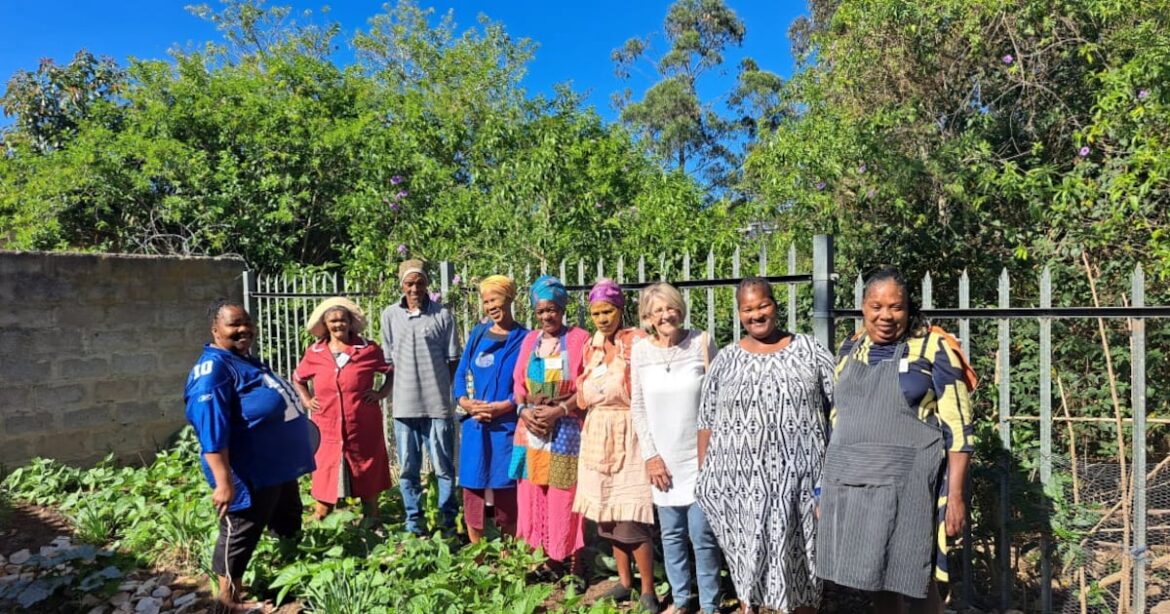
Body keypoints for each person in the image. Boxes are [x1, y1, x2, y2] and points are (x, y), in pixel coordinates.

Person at [816, 266, 976, 614]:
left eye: (895, 307)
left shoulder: (933, 348)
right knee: (877, 577)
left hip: (911, 489)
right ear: (863, 307)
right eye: (876, 306)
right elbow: (837, 422)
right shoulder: (849, 350)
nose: (885, 316)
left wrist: (957, 496)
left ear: (908, 308)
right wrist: (824, 491)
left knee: (916, 577)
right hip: (856, 485)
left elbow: (959, 429)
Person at [695, 278, 835, 613]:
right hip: (743, 492)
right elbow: (706, 421)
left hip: (802, 490)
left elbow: (840, 410)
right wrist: (707, 480)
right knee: (749, 569)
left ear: (775, 305)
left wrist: (829, 482)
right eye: (748, 308)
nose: (756, 314)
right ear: (739, 312)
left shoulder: (810, 351)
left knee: (806, 569)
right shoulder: (726, 360)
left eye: (763, 305)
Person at [184, 300, 316, 612]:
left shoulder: (243, 359)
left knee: (288, 515)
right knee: (240, 528)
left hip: (275, 466)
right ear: (215, 330)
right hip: (247, 469)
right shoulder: (214, 371)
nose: (243, 330)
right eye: (234, 325)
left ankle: (289, 568)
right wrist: (223, 481)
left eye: (246, 323)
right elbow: (210, 430)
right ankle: (228, 598)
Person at [630, 282, 722, 614]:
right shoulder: (640, 351)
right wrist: (651, 456)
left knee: (703, 537)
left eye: (670, 308)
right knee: (671, 537)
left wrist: (713, 454)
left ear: (680, 309)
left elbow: (717, 399)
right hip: (663, 461)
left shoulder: (701, 342)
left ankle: (710, 605)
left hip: (699, 458)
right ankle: (683, 601)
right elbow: (638, 408)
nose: (666, 315)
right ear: (647, 317)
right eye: (658, 311)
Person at [573, 279, 657, 612]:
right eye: (596, 313)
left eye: (608, 311)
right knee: (607, 516)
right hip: (596, 434)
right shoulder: (591, 347)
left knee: (631, 515)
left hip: (629, 432)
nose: (602, 318)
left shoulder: (637, 342)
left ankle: (648, 589)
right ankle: (625, 582)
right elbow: (584, 394)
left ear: (620, 309)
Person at [509, 275, 591, 580]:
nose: (547, 316)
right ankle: (547, 559)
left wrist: (559, 409)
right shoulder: (530, 341)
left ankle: (574, 561)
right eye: (541, 311)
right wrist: (525, 407)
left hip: (565, 430)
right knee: (534, 493)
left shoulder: (579, 339)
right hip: (531, 430)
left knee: (564, 494)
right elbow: (518, 383)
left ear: (563, 308)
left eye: (552, 309)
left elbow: (585, 385)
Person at [380, 259, 461, 536]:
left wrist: (443, 392)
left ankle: (447, 523)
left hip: (437, 406)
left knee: (444, 469)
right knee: (408, 471)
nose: (415, 289)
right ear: (402, 285)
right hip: (404, 407)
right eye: (409, 283)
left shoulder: (443, 316)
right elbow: (390, 361)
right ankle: (414, 524)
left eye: (420, 283)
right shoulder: (389, 315)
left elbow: (453, 362)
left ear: (428, 285)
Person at [292, 297, 392, 522]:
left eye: (342, 320)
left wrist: (381, 393)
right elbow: (298, 378)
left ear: (350, 322)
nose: (338, 325)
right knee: (326, 470)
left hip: (362, 423)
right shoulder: (315, 353)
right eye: (333, 321)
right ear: (325, 325)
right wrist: (307, 400)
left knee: (366, 468)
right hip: (326, 424)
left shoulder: (367, 349)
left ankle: (372, 519)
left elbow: (390, 370)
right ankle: (321, 519)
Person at [452, 275, 528, 543]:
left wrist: (504, 406)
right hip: (475, 425)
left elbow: (526, 383)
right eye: (485, 302)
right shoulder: (477, 334)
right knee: (472, 489)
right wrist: (464, 401)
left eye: (494, 299)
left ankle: (509, 555)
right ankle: (478, 554)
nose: (490, 306)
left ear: (508, 300)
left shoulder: (525, 339)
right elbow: (461, 374)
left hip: (505, 426)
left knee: (505, 490)